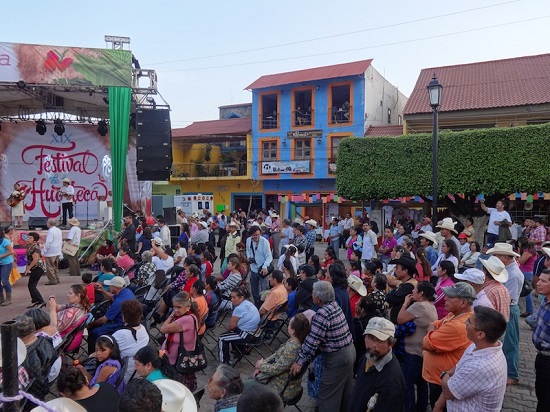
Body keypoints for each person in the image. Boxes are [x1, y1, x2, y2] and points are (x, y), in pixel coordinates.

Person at [290, 281, 355, 412]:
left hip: (338, 357)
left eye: (313, 294)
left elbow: (312, 341)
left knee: (327, 395)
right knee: (344, 392)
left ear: (318, 298)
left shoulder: (322, 313)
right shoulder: (333, 305)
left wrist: (299, 362)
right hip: (349, 351)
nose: (311, 295)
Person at [434, 306, 508, 412]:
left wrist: (444, 374)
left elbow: (449, 392)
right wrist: (438, 405)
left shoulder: (481, 366)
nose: (465, 323)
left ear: (480, 334)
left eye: (469, 322)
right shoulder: (477, 346)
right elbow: (458, 368)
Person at [422, 282, 476, 408]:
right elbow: (435, 323)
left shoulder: (457, 325)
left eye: (450, 297)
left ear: (463, 302)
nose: (445, 298)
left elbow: (426, 343)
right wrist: (434, 333)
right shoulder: (455, 314)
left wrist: (430, 335)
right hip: (439, 377)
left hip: (442, 381)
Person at [349, 317, 406, 412]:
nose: (373, 345)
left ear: (390, 344)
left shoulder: (391, 383)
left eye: (380, 340)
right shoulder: (368, 357)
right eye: (370, 337)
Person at [397, 281, 438, 412]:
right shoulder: (431, 306)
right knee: (421, 383)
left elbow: (400, 319)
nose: (412, 292)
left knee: (407, 384)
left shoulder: (419, 306)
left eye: (415, 290)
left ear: (421, 294)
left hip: (413, 353)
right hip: (422, 351)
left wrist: (405, 303)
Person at [487, 242, 524, 386]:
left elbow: (509, 297)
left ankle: (512, 374)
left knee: (510, 342)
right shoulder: (509, 270)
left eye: (496, 256)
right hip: (506, 306)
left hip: (510, 308)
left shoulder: (513, 274)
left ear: (504, 258)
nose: (494, 258)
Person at [254, 314, 310, 401]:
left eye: (289, 324)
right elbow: (276, 354)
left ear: (293, 330)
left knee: (249, 385)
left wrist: (260, 366)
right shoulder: (295, 340)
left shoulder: (293, 348)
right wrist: (263, 362)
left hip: (282, 387)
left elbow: (276, 369)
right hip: (280, 380)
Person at [159, 291, 200, 390]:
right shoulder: (190, 316)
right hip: (175, 359)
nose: (176, 310)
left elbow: (163, 329)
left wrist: (171, 315)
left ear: (188, 306)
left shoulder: (185, 320)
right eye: (174, 307)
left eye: (179, 307)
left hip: (177, 362)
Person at [87, 276, 136, 353]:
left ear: (116, 288)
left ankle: (94, 355)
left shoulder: (119, 302)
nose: (109, 287)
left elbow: (104, 319)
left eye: (110, 286)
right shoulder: (127, 291)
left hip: (120, 324)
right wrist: (102, 291)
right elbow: (113, 297)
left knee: (94, 333)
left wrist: (91, 324)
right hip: (130, 320)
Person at [15, 315, 56, 402]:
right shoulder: (45, 340)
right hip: (47, 378)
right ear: (34, 328)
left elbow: (37, 388)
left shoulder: (24, 359)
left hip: (30, 397)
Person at [218, 286, 261, 365]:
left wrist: (227, 332)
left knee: (222, 338)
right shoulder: (249, 304)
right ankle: (239, 350)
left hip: (248, 335)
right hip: (256, 333)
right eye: (231, 297)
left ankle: (224, 362)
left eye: (234, 297)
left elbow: (231, 326)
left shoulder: (239, 309)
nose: (232, 300)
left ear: (241, 297)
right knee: (232, 332)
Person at [112, 299, 149, 382]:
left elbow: (107, 350)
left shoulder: (121, 334)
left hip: (122, 376)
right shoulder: (143, 329)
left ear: (124, 317)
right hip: (137, 374)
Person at [532, 268, 550, 412]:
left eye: (543, 281)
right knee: (541, 396)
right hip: (541, 356)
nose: (538, 283)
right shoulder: (545, 300)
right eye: (539, 279)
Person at [386, 256, 419, 324]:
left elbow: (390, 298)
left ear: (405, 271)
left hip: (399, 323)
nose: (395, 270)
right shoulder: (404, 283)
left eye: (397, 268)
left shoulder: (409, 286)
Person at [246, 225, 273, 306]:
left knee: (264, 290)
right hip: (253, 268)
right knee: (254, 290)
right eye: (254, 235)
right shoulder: (248, 240)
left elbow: (269, 256)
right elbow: (248, 251)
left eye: (258, 235)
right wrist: (249, 258)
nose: (256, 237)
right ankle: (257, 305)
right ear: (251, 235)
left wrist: (265, 267)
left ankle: (264, 306)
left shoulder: (264, 242)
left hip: (262, 269)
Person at [23, 231, 46, 308]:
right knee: (31, 285)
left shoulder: (35, 247)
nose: (28, 239)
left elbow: (35, 260)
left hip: (38, 268)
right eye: (28, 237)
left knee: (32, 286)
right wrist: (27, 267)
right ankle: (35, 300)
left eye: (30, 238)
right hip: (34, 268)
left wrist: (28, 269)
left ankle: (41, 301)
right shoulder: (30, 246)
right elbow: (28, 259)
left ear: (35, 240)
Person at [517, 236, 537, 317]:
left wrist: (518, 253)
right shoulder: (531, 250)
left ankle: (529, 310)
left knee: (526, 292)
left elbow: (521, 261)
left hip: (527, 272)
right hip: (527, 271)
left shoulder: (527, 251)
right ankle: (529, 309)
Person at [43, 218, 62, 285]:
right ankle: (57, 278)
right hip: (57, 251)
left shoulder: (51, 231)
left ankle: (52, 280)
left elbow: (48, 242)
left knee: (50, 267)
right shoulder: (58, 230)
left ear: (49, 223)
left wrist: (44, 250)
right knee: (55, 266)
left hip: (51, 252)